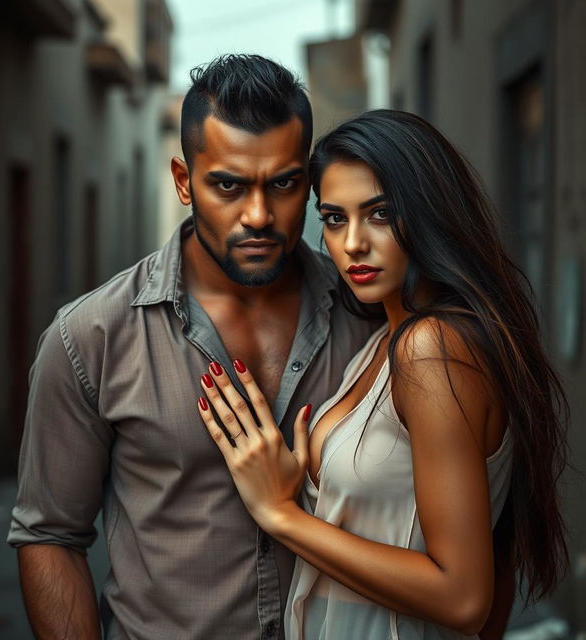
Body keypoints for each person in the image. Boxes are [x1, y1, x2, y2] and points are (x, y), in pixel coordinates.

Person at [7, 54, 379, 639]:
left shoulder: (372, 320)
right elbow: (49, 535)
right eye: (227, 185)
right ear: (184, 181)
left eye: (282, 183)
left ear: (307, 182)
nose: (257, 215)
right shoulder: (90, 338)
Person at [196, 110, 569, 639]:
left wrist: (281, 515)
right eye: (333, 218)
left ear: (429, 213)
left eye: (380, 214)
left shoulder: (431, 348)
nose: (352, 244)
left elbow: (462, 597)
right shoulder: (381, 341)